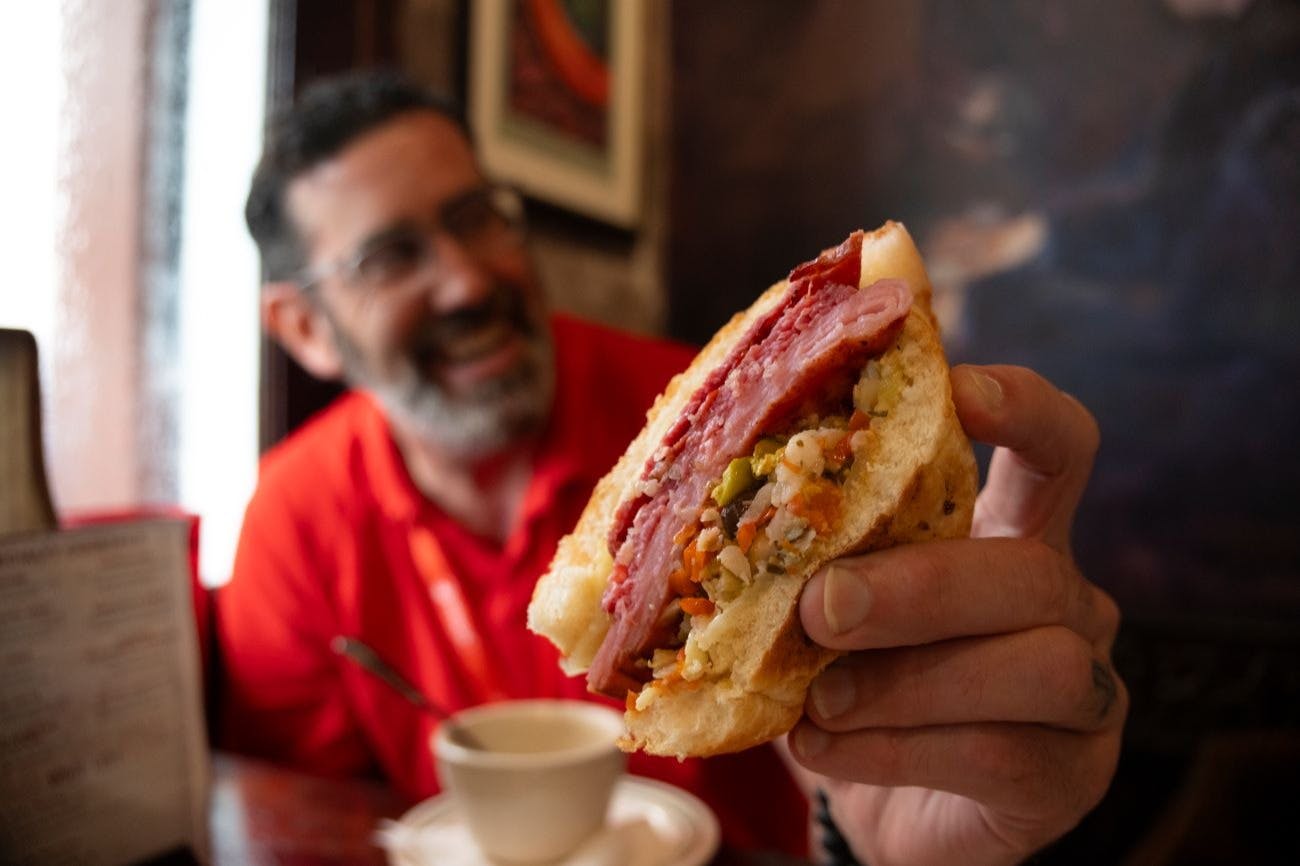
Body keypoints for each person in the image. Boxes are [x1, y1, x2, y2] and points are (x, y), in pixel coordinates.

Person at [215, 70, 1126, 865]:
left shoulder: (695, 402)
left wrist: (888, 833)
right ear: (302, 328)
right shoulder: (293, 519)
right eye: (390, 257)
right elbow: (309, 825)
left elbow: (842, 792)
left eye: (476, 218)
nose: (464, 281)